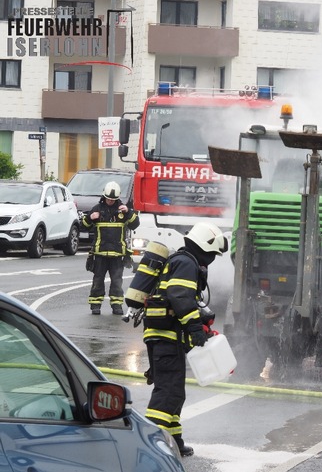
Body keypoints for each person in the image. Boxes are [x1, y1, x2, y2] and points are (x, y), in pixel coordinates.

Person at [143, 221, 228, 457]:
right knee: (167, 392)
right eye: (211, 253)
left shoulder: (184, 261)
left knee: (174, 392)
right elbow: (180, 296)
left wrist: (200, 329)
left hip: (167, 337)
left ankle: (173, 440)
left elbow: (186, 302)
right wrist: (194, 329)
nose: (211, 259)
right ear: (203, 246)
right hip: (165, 338)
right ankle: (151, 444)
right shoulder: (186, 263)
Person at [82, 181, 139, 315]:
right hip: (100, 254)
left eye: (113, 199)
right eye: (108, 199)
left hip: (117, 255)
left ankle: (117, 306)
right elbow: (83, 226)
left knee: (117, 282)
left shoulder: (122, 211)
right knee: (98, 281)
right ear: (104, 196)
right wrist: (90, 218)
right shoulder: (97, 209)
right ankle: (95, 305)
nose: (110, 201)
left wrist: (129, 212)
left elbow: (135, 225)